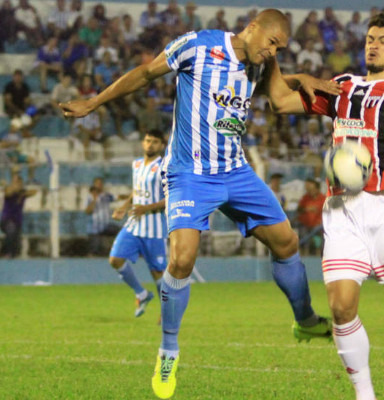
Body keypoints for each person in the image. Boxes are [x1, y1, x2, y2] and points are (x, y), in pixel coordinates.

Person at [60, 9, 340, 399]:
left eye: (280, 48)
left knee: (287, 242)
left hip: (236, 171)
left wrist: (302, 80)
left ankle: (305, 319)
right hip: (190, 173)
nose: (274, 51)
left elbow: (278, 100)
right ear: (254, 27)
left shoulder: (264, 62)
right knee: (181, 259)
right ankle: (168, 350)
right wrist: (95, 102)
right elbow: (144, 74)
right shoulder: (199, 45)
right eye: (273, 42)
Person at [261, 13, 384, 399]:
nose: (373, 45)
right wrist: (274, 59)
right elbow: (280, 102)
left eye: (383, 40)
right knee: (340, 308)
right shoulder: (343, 87)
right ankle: (364, 394)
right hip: (342, 210)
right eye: (370, 38)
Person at [109, 129, 167, 318]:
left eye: (155, 141)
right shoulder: (136, 165)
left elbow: (172, 197)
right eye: (148, 140)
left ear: (162, 146)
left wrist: (146, 208)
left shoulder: (165, 167)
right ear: (143, 143)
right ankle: (141, 293)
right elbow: (137, 190)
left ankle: (167, 312)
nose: (150, 144)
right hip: (134, 223)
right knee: (115, 259)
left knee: (158, 272)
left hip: (155, 227)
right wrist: (124, 206)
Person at [1, 167, 37, 258]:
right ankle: (6, 252)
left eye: (20, 183)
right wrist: (14, 186)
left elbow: (34, 192)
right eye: (17, 183)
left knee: (16, 241)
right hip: (6, 220)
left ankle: (9, 253)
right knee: (11, 229)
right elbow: (8, 192)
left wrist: (23, 194)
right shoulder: (9, 191)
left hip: (17, 221)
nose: (18, 185)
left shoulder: (22, 193)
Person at [85, 177, 117, 256]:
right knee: (94, 251)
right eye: (97, 184)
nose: (99, 185)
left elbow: (117, 197)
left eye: (100, 184)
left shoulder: (106, 196)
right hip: (94, 228)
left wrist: (130, 197)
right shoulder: (90, 197)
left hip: (106, 225)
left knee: (122, 232)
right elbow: (88, 211)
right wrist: (95, 199)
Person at [296, 178, 325, 255]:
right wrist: (306, 209)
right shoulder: (306, 197)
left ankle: (320, 255)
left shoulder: (323, 199)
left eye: (313, 189)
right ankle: (305, 254)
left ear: (317, 189)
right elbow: (299, 209)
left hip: (318, 226)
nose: (311, 191)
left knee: (321, 233)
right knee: (303, 232)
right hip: (305, 225)